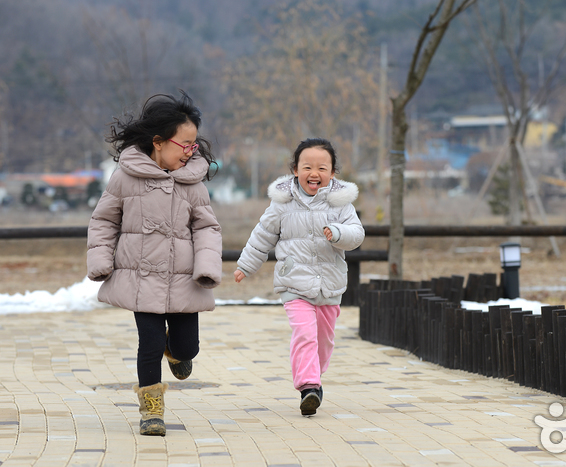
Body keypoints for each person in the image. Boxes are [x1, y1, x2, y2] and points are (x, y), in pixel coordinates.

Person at [87, 91, 222, 436]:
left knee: (186, 347)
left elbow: (207, 227)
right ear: (159, 142)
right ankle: (151, 409)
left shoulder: (193, 183)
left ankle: (176, 351)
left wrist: (207, 267)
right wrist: (101, 260)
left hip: (183, 281)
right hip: (140, 279)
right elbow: (104, 221)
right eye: (185, 144)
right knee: (148, 343)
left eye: (195, 145)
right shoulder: (125, 178)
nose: (191, 151)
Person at [234, 138, 364, 416]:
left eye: (322, 167)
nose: (314, 173)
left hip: (329, 285)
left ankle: (314, 375)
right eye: (307, 167)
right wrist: (245, 266)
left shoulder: (341, 204)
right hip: (294, 282)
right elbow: (262, 237)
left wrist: (338, 233)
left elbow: (357, 234)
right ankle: (309, 387)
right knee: (305, 333)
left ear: (332, 173)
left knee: (324, 340)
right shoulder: (282, 204)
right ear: (295, 169)